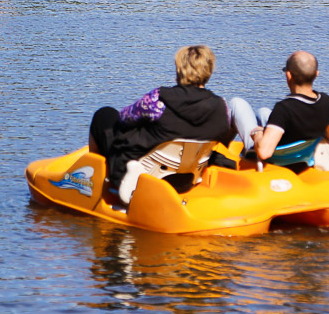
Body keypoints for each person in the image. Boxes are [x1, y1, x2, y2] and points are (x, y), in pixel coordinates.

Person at [88, 44, 233, 200]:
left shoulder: (159, 99)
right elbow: (223, 135)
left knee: (105, 115)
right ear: (209, 71)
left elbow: (124, 117)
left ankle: (94, 180)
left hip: (146, 177)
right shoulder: (221, 107)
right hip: (186, 181)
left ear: (179, 68)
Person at [228, 50, 329, 169]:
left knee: (237, 104)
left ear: (288, 75)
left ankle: (218, 154)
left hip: (280, 159)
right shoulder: (326, 102)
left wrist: (257, 133)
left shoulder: (285, 109)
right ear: (316, 74)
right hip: (304, 154)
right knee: (263, 112)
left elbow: (264, 152)